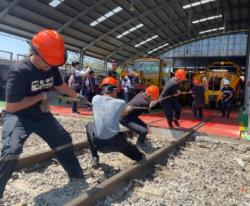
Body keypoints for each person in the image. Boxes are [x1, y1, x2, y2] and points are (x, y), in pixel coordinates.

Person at [0, 29, 87, 199]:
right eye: (48, 63)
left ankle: (77, 177)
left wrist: (76, 96)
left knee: (63, 141)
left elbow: (60, 85)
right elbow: (11, 107)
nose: (50, 67)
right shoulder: (19, 71)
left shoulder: (51, 65)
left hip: (41, 114)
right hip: (19, 116)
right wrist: (42, 96)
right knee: (11, 150)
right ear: (35, 52)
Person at [85, 77, 144, 167]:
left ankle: (94, 156)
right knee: (140, 157)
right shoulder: (120, 102)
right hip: (116, 142)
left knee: (89, 125)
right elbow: (123, 115)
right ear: (112, 90)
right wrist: (128, 109)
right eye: (116, 90)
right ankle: (138, 156)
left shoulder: (95, 98)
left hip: (98, 144)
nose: (117, 92)